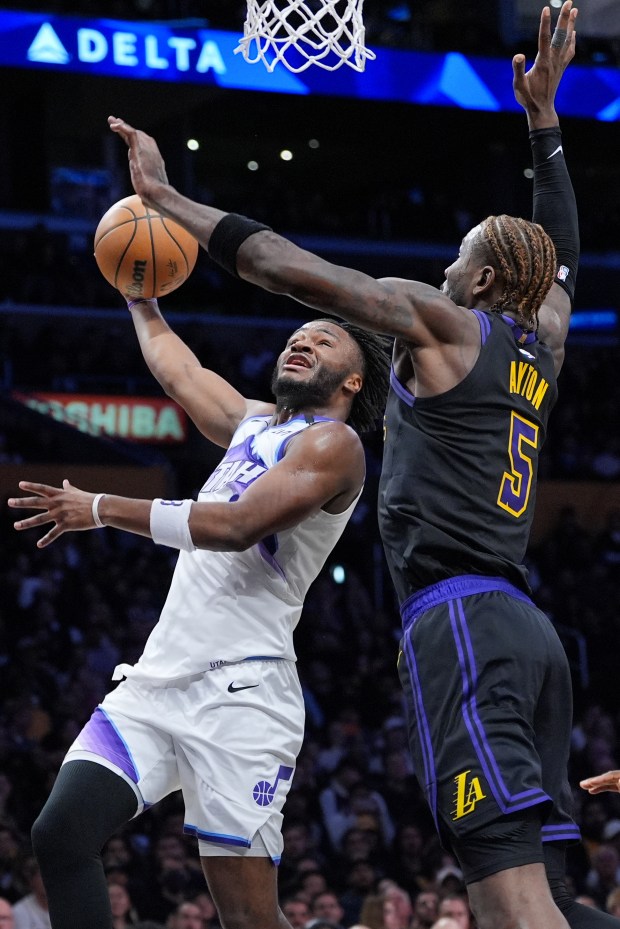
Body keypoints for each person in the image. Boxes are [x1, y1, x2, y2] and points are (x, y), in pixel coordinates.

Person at [93, 4, 620, 926]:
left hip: (463, 620)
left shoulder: (450, 323)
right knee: (556, 894)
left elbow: (292, 270)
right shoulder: (544, 342)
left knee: (510, 898)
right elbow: (563, 261)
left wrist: (172, 202)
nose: (445, 268)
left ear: (485, 282)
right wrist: (545, 125)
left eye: (458, 259)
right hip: (531, 635)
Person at [9, 297, 389, 927]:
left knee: (248, 920)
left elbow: (237, 526)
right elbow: (179, 373)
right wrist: (141, 300)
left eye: (322, 341)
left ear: (354, 379)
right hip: (156, 685)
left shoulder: (336, 446)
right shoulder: (253, 424)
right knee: (61, 835)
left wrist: (101, 506)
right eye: (296, 337)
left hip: (242, 698)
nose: (301, 343)